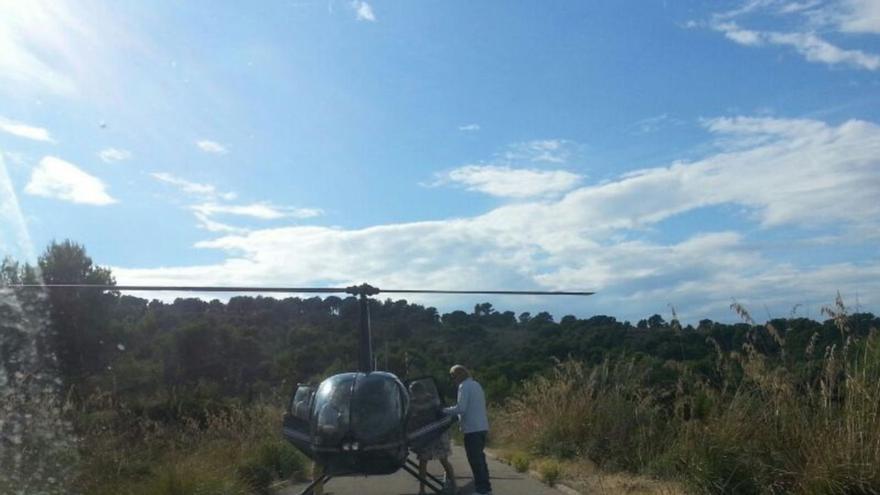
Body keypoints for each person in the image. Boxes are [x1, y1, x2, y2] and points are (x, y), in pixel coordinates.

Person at [443, 365, 492, 495]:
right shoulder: (476, 385)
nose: (453, 380)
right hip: (481, 427)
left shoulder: (463, 386)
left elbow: (461, 408)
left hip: (472, 429)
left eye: (453, 376)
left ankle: (482, 490)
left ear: (459, 375)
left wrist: (443, 411)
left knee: (475, 461)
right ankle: (486, 488)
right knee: (480, 460)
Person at [409, 382, 456, 495]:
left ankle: (454, 485)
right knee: (423, 462)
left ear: (419, 391)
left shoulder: (433, 400)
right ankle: (422, 490)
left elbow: (441, 415)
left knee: (443, 460)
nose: (414, 395)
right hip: (425, 436)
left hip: (437, 434)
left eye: (414, 392)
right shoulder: (413, 402)